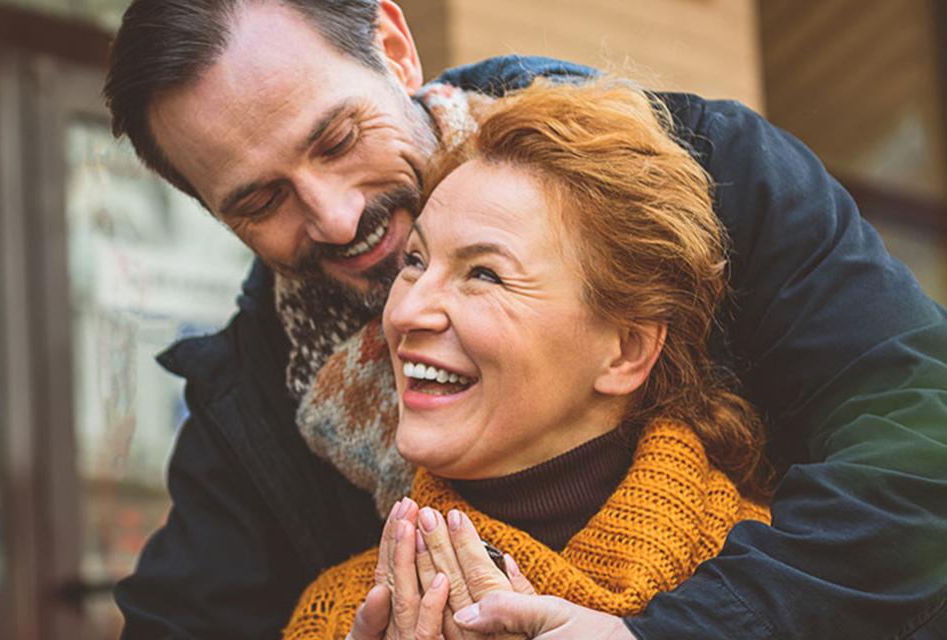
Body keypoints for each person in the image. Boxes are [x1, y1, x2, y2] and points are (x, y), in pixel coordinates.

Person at [102, 1, 947, 638]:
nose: (332, 216)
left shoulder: (712, 174)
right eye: (260, 199)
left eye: (335, 139)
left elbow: (921, 442)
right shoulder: (249, 404)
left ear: (395, 48)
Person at [282, 78, 774, 640]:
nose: (406, 310)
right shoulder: (338, 617)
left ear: (626, 350)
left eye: (484, 273)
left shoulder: (781, 582)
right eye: (414, 262)